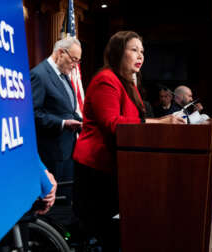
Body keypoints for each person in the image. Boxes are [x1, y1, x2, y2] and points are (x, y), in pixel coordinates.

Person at [72, 31, 185, 251]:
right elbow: (113, 124)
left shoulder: (129, 84)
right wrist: (161, 123)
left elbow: (136, 120)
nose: (140, 55)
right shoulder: (106, 79)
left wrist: (164, 120)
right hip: (96, 169)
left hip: (117, 166)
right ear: (117, 52)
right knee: (105, 232)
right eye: (133, 49)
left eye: (142, 51)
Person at [30, 37, 83, 203]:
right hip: (51, 153)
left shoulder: (63, 74)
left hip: (68, 150)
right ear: (60, 53)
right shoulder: (39, 75)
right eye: (74, 60)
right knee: (55, 204)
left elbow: (67, 109)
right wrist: (62, 123)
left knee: (67, 199)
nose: (75, 65)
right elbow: (34, 113)